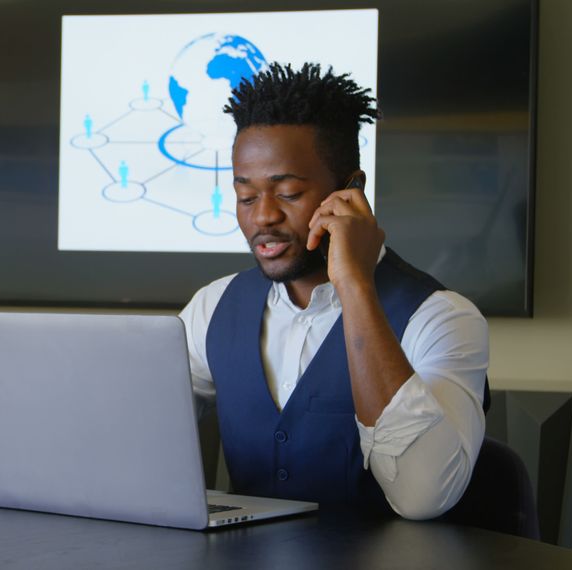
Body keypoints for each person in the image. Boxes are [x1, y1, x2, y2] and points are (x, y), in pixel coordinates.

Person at [179, 63, 489, 520]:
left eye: (286, 193)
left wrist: (356, 287)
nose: (262, 216)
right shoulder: (213, 307)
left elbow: (421, 498)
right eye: (246, 197)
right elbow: (129, 433)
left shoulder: (442, 319)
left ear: (350, 192)